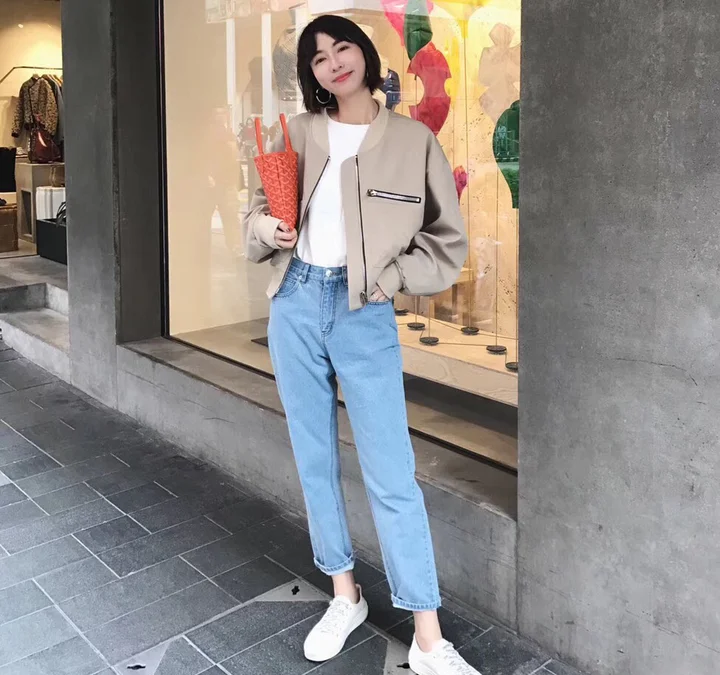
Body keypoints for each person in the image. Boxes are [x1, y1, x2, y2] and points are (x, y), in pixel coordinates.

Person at [243, 14, 477, 675]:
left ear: (365, 54)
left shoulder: (412, 140)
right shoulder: (297, 132)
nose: (333, 62)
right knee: (314, 459)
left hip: (363, 311)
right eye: (318, 57)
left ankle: (427, 638)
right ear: (311, 74)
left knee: (391, 472)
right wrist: (268, 228)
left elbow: (446, 240)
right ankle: (344, 594)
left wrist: (393, 279)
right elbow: (254, 214)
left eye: (342, 47)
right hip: (295, 301)